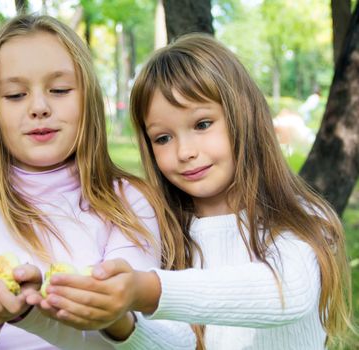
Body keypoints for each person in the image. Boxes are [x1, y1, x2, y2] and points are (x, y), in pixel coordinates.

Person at [39, 33, 353, 349]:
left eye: (202, 124)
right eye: (163, 138)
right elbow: (179, 344)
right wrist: (119, 322)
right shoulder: (171, 236)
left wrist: (147, 289)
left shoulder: (302, 218)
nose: (184, 151)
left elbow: (288, 293)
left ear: (244, 116)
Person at [0, 14, 195, 350]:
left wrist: (48, 313)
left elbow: (146, 340)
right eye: (15, 95)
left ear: (88, 100)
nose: (38, 107)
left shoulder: (129, 203)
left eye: (60, 90)